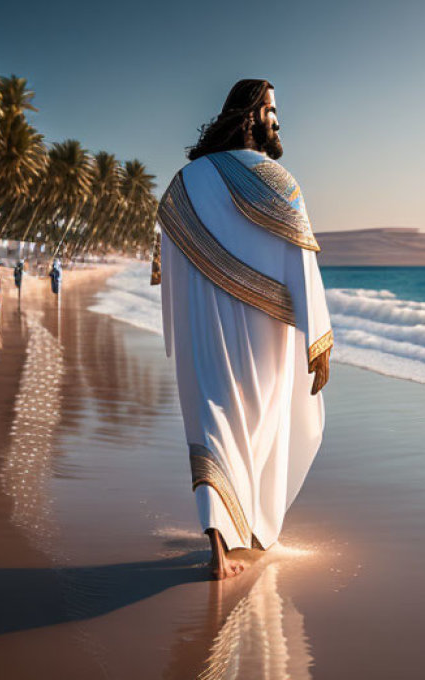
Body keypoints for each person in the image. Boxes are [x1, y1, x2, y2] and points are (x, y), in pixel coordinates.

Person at [153, 79, 332, 580]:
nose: (277, 118)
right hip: (264, 330)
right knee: (257, 426)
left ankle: (228, 537)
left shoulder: (185, 181)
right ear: (252, 114)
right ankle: (232, 541)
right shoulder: (277, 180)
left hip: (203, 320)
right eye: (271, 109)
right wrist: (317, 334)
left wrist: (187, 312)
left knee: (214, 418)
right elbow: (302, 261)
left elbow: (166, 253)